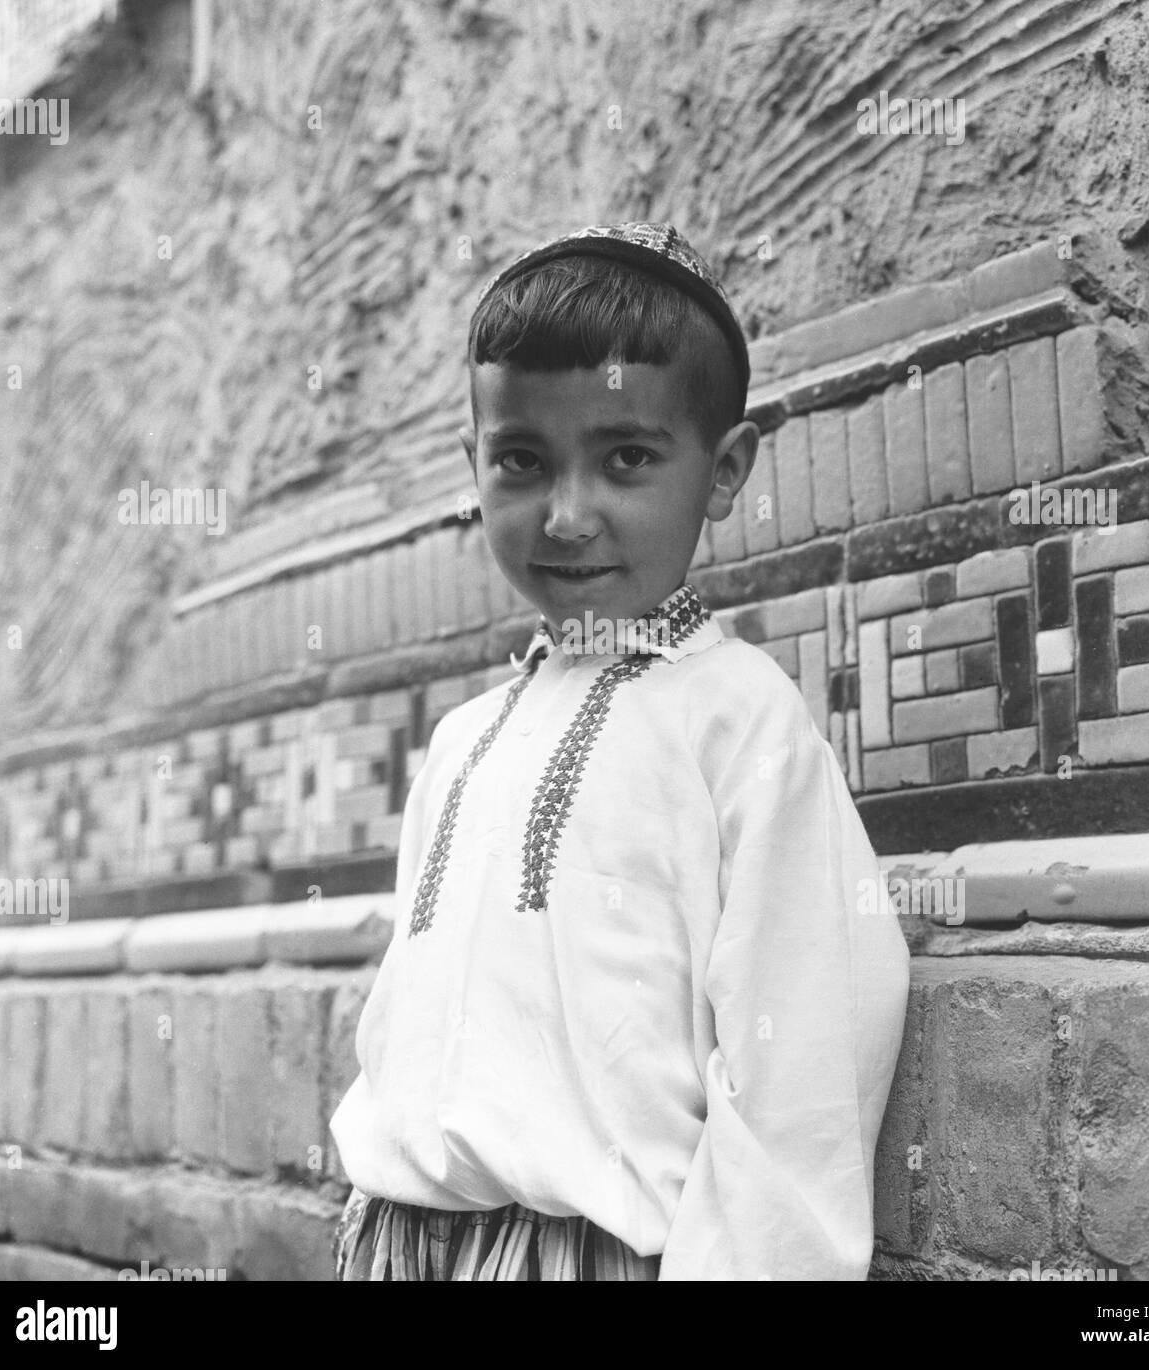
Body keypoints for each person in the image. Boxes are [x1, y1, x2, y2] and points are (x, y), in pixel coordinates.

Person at [328, 221, 910, 1280]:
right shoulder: (464, 742)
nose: (566, 514)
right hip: (398, 1243)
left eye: (627, 458)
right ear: (474, 466)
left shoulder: (737, 722)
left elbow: (806, 1065)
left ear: (724, 469)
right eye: (521, 461)